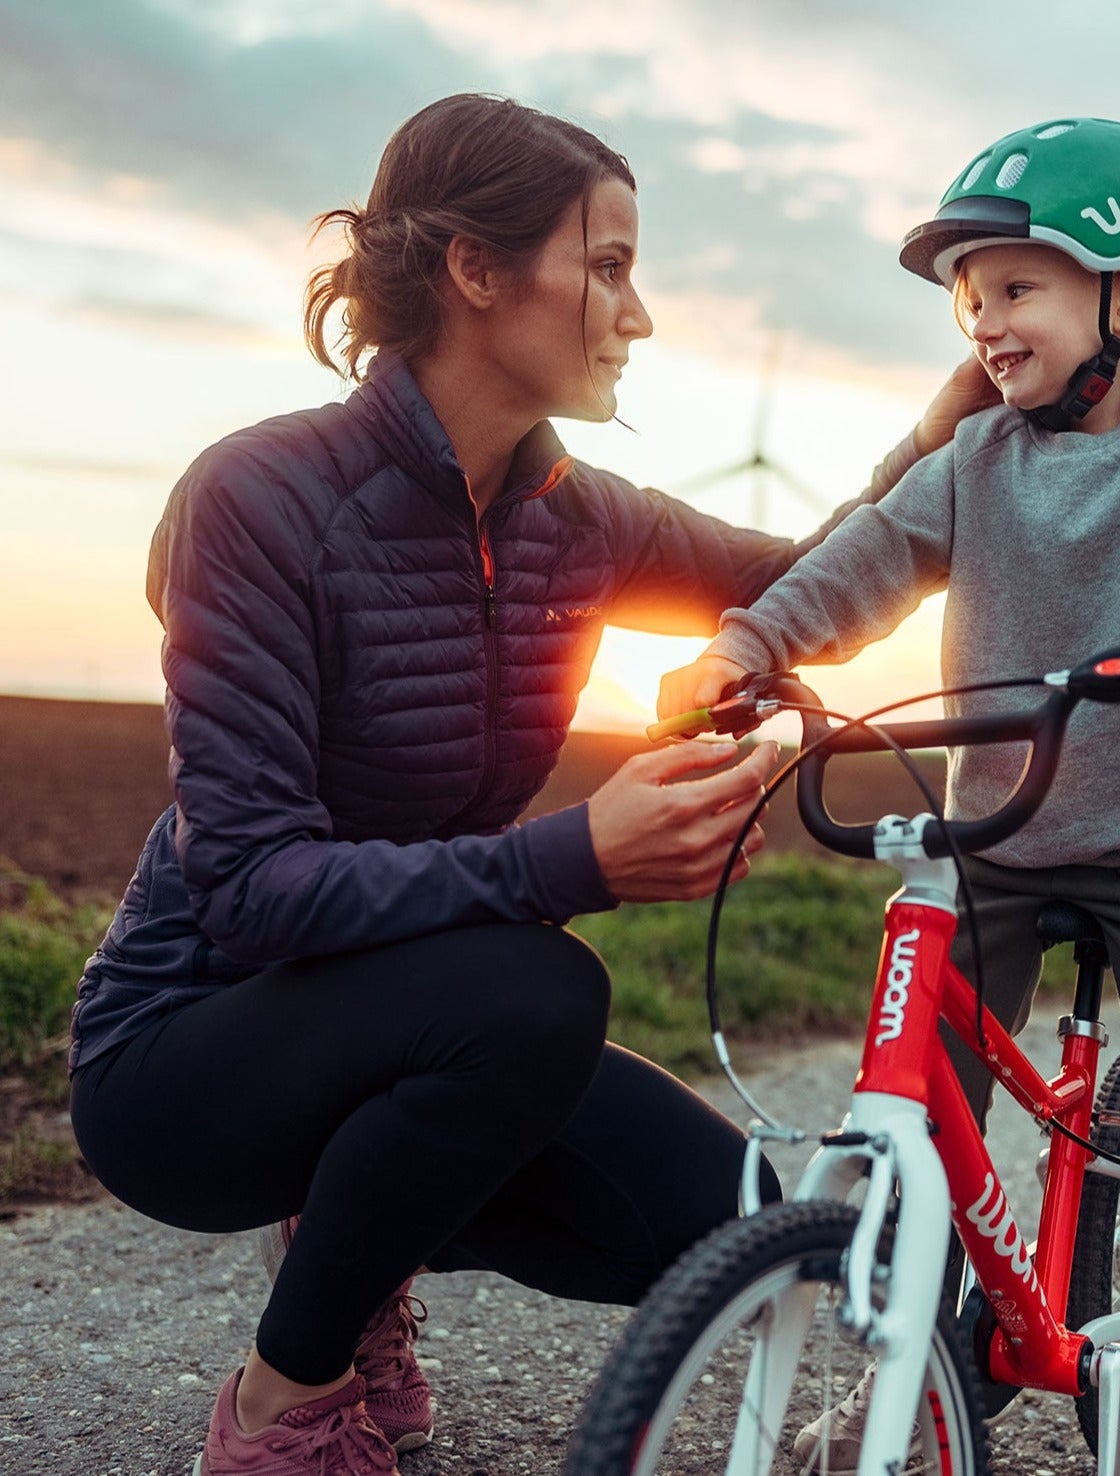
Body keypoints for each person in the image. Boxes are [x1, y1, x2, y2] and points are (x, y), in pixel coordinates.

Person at [65, 94, 995, 1476]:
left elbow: (809, 582)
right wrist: (580, 860)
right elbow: (251, 893)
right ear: (478, 272)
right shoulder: (259, 500)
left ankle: (356, 1231)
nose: (640, 312)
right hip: (186, 1055)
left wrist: (949, 431)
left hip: (420, 1012)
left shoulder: (583, 517)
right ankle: (283, 1400)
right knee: (539, 986)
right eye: (607, 265)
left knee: (745, 1229)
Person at [658, 118, 1120, 1476]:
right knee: (914, 1098)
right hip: (999, 840)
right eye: (969, 300)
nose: (982, 321)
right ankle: (922, 1356)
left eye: (1015, 287)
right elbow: (859, 561)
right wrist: (751, 642)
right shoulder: (972, 463)